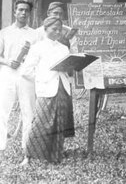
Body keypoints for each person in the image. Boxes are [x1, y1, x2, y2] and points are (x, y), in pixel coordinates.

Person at [19, 17, 72, 164]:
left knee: (59, 122)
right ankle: (28, 157)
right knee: (41, 122)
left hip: (62, 87)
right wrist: (41, 78)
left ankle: (55, 156)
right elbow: (25, 71)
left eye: (59, 29)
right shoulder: (38, 47)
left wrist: (72, 67)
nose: (57, 32)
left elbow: (67, 68)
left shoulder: (63, 48)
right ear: (45, 29)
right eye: (53, 29)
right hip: (46, 87)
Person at [0, 0, 38, 151]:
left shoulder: (34, 34)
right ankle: (1, 145)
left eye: (26, 10)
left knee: (28, 110)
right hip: (8, 73)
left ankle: (27, 147)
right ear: (14, 12)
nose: (23, 13)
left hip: (26, 74)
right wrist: (8, 62)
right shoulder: (4, 32)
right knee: (2, 109)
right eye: (20, 10)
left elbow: (38, 56)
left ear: (29, 13)